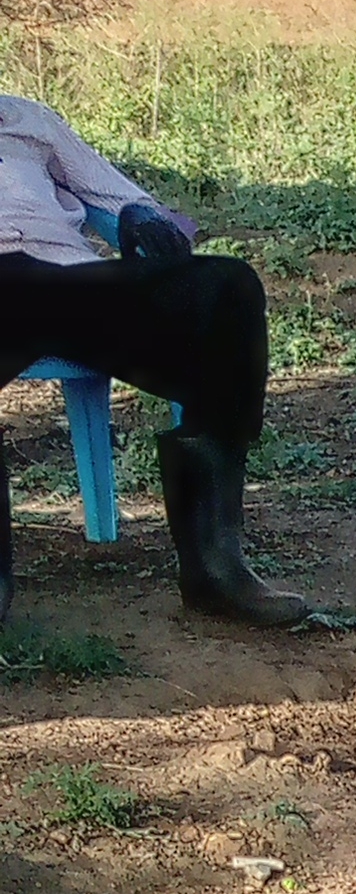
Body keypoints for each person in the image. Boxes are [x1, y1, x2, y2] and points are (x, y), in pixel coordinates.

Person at [0, 95, 306, 627]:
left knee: (223, 290)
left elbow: (115, 193)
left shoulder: (26, 119)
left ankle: (214, 566)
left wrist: (140, 215)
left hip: (67, 279)